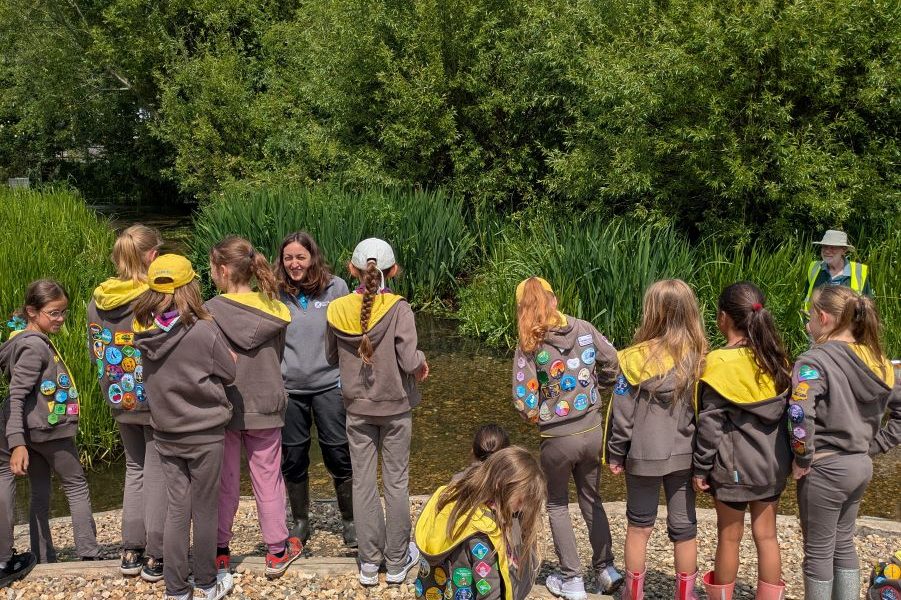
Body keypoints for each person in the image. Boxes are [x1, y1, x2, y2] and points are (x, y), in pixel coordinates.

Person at [325, 237, 429, 586]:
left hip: (357, 408)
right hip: (396, 407)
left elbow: (329, 358)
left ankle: (369, 563)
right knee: (397, 483)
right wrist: (422, 364)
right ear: (394, 271)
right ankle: (398, 562)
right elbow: (409, 360)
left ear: (351, 270)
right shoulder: (400, 308)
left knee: (364, 482)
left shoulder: (337, 309)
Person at [134, 255, 237, 600]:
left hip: (166, 432)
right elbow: (229, 372)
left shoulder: (144, 331)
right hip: (204, 432)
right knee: (205, 508)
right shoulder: (203, 329)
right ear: (190, 287)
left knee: (178, 508)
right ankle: (207, 582)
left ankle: (176, 588)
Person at [512, 277, 621, 598]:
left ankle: (572, 578)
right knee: (592, 498)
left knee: (557, 504)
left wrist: (538, 412)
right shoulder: (584, 329)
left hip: (557, 437)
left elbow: (524, 399)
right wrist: (597, 388)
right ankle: (606, 569)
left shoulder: (529, 344)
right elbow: (612, 359)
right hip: (591, 430)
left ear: (522, 309)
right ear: (554, 300)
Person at [788, 286, 900, 600]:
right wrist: (875, 445)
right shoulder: (879, 361)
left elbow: (799, 412)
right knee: (843, 542)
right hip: (859, 466)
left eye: (810, 316)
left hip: (825, 468)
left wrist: (802, 457)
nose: (809, 323)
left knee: (819, 552)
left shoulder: (814, 360)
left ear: (823, 317)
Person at [205, 236, 301, 579]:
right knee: (268, 479)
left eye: (212, 267)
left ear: (223, 269)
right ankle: (277, 549)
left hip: (225, 406)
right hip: (267, 403)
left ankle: (219, 551)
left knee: (225, 482)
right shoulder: (276, 308)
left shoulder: (210, 311)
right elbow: (277, 355)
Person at [605, 279, 707, 600]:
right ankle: (686, 595)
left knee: (639, 527)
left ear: (652, 313)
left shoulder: (631, 360)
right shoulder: (700, 360)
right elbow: (706, 414)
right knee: (684, 528)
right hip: (684, 455)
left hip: (642, 456)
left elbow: (621, 417)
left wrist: (615, 453)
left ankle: (633, 594)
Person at [692, 282, 792, 600]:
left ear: (723, 318)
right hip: (772, 467)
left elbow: (710, 426)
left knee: (729, 538)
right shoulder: (777, 361)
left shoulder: (718, 363)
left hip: (734, 471)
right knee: (767, 536)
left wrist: (700, 468)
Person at [0, 280, 101, 571]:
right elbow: (16, 394)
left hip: (34, 429)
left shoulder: (20, 339)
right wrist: (17, 441)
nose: (60, 319)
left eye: (64, 312)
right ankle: (89, 551)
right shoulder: (34, 346)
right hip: (48, 430)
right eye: (54, 313)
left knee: (40, 490)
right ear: (32, 311)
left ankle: (43, 556)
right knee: (76, 485)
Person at [86, 224, 166, 580]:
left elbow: (96, 350)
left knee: (134, 470)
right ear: (151, 256)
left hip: (118, 394)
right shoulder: (154, 297)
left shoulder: (97, 299)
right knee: (159, 471)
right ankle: (156, 553)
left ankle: (130, 549)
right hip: (154, 396)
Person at [275, 231, 354, 547]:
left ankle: (350, 521)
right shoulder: (274, 291)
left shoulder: (336, 287)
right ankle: (300, 521)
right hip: (290, 389)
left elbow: (349, 335)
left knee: (338, 451)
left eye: (300, 257)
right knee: (293, 456)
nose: (294, 264)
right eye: (288, 258)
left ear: (312, 257)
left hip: (328, 384)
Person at [413, 446, 546, 600]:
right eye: (521, 500)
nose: (522, 508)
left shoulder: (455, 495)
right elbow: (490, 590)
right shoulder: (483, 537)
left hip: (431, 590)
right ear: (501, 486)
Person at [803, 229, 872, 313]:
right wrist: (808, 323)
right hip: (818, 324)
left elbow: (868, 307)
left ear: (844, 250)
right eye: (825, 246)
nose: (827, 251)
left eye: (833, 247)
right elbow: (807, 299)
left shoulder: (859, 271)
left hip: (848, 325)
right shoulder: (814, 268)